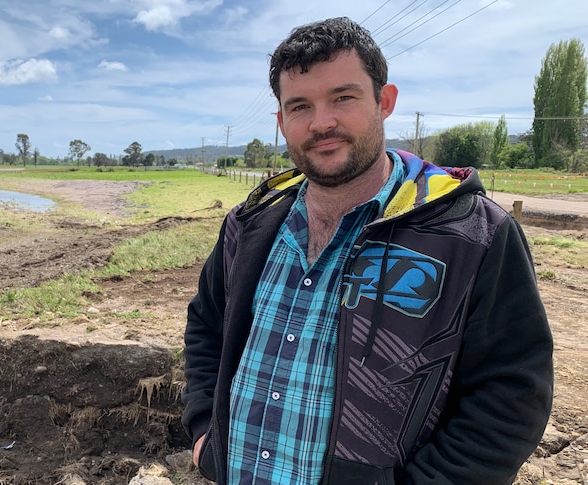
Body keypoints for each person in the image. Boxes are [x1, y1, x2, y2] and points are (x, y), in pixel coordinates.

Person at [181, 17, 553, 485]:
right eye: (299, 106)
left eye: (343, 97)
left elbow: (511, 393)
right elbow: (206, 324)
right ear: (281, 122)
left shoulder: (472, 235)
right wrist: (204, 430)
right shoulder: (249, 225)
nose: (321, 123)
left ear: (385, 101)